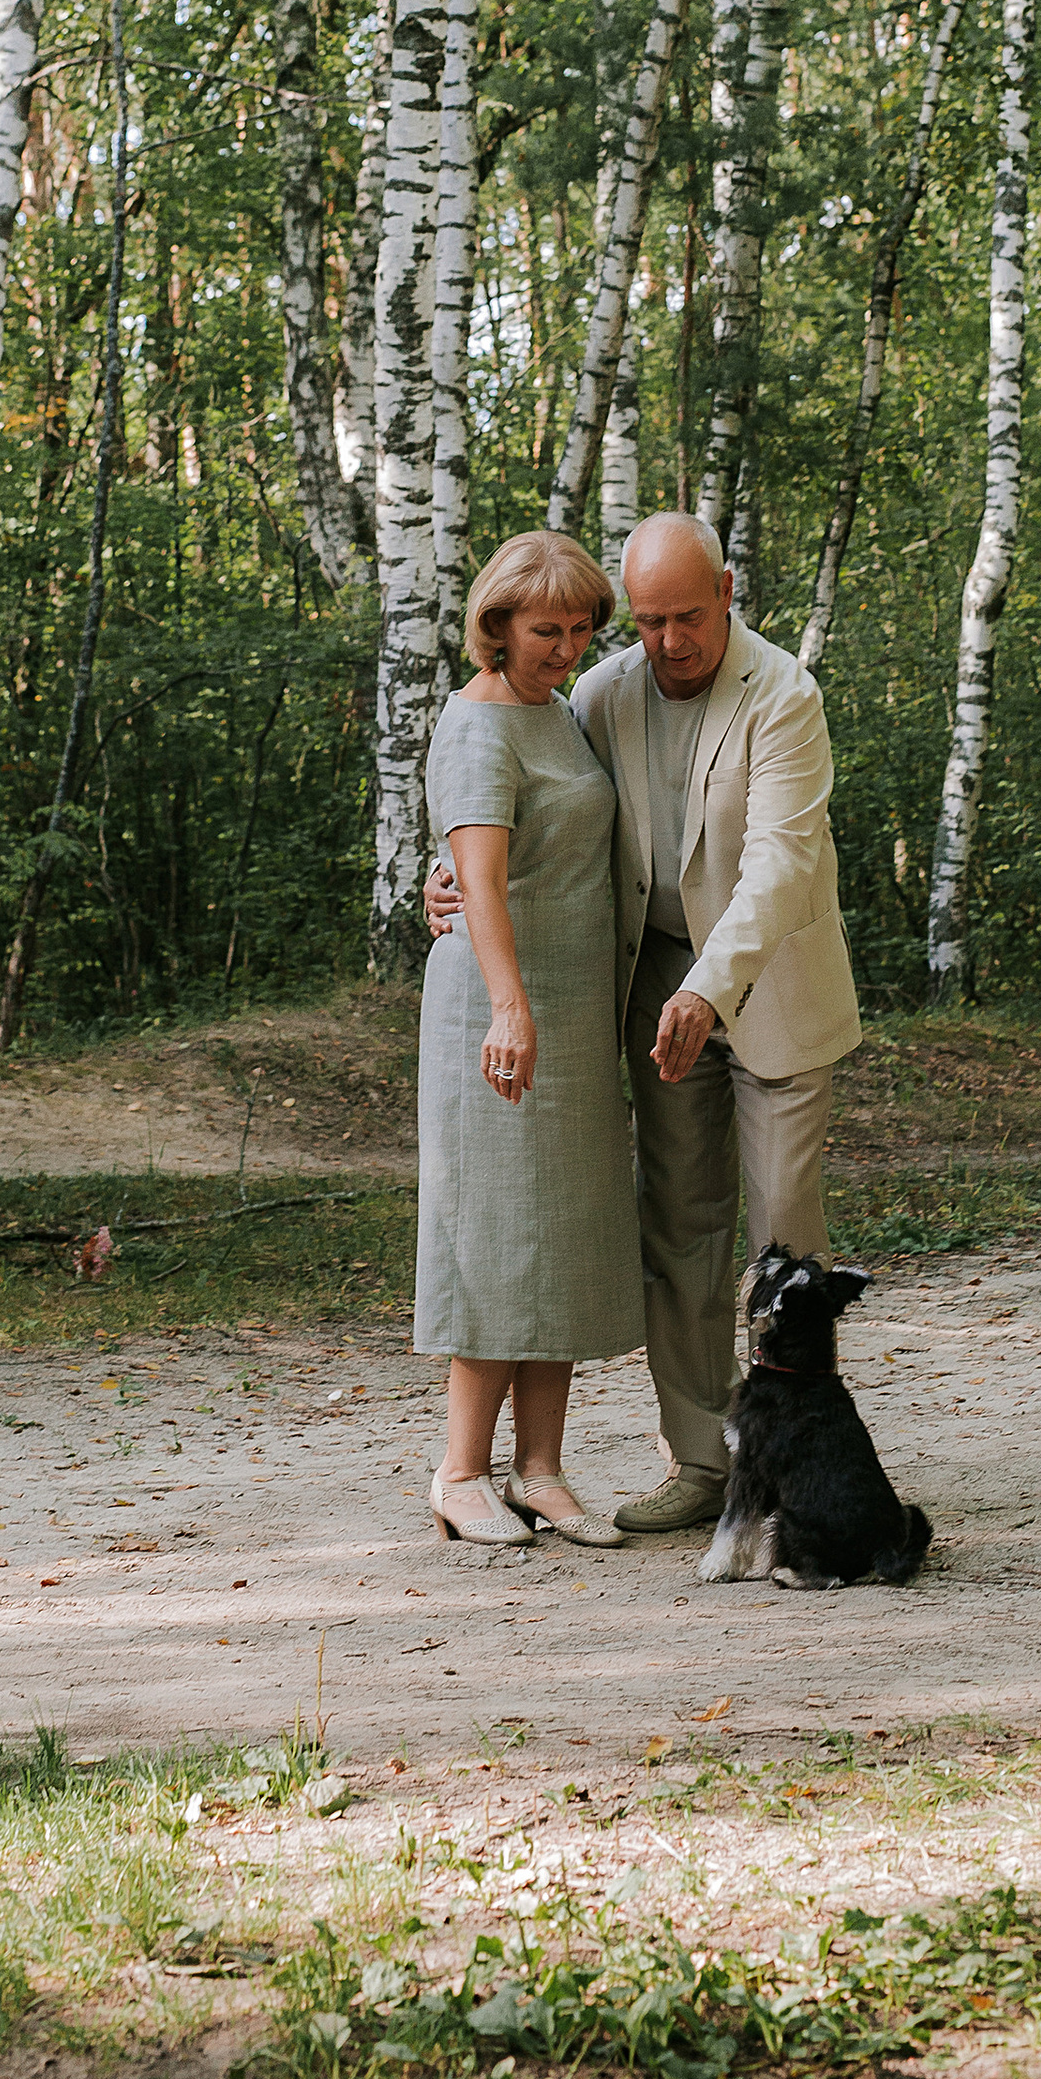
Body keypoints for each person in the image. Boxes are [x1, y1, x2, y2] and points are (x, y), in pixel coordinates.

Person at [427, 508, 860, 1534]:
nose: (664, 642)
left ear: (725, 595)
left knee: (784, 1244)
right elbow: (512, 810)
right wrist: (438, 881)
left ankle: (798, 1469)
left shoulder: (784, 696)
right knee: (677, 1230)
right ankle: (705, 1463)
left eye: (684, 618)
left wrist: (706, 988)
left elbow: (777, 869)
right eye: (649, 620)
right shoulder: (601, 691)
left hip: (767, 989)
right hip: (645, 991)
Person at [415, 527, 644, 1548]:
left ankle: (541, 1470)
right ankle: (461, 1473)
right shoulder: (475, 727)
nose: (565, 645)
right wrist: (511, 1008)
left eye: (581, 628)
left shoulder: (562, 715)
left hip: (573, 1006)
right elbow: (480, 884)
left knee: (566, 1239)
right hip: (497, 1011)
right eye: (544, 629)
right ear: (495, 626)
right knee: (501, 1239)